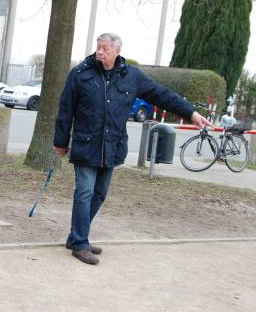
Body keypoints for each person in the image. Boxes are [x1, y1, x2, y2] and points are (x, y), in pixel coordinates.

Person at [53, 33, 213, 265]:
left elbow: (161, 95)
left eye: (105, 48)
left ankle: (76, 236)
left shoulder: (132, 76)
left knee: (99, 194)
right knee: (84, 193)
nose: (99, 52)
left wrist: (191, 113)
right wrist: (60, 140)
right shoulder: (80, 74)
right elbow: (66, 108)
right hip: (86, 144)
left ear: (117, 51)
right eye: (98, 47)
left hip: (113, 145)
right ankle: (79, 244)